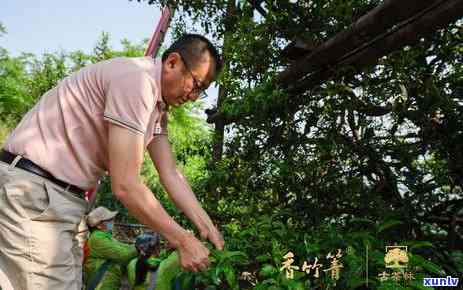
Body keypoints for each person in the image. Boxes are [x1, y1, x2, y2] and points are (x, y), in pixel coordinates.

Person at [0, 33, 224, 290]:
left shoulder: (157, 108)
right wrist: (183, 241)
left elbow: (171, 173)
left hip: (57, 199)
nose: (194, 96)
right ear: (172, 62)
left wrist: (207, 227)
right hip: (36, 193)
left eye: (202, 91)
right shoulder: (137, 81)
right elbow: (126, 185)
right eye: (195, 84)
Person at [84, 206, 138, 290]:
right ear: (99, 225)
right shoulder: (98, 238)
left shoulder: (105, 236)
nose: (112, 222)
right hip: (101, 282)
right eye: (109, 220)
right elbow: (123, 255)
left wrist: (136, 246)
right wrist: (140, 248)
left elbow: (125, 247)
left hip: (107, 281)